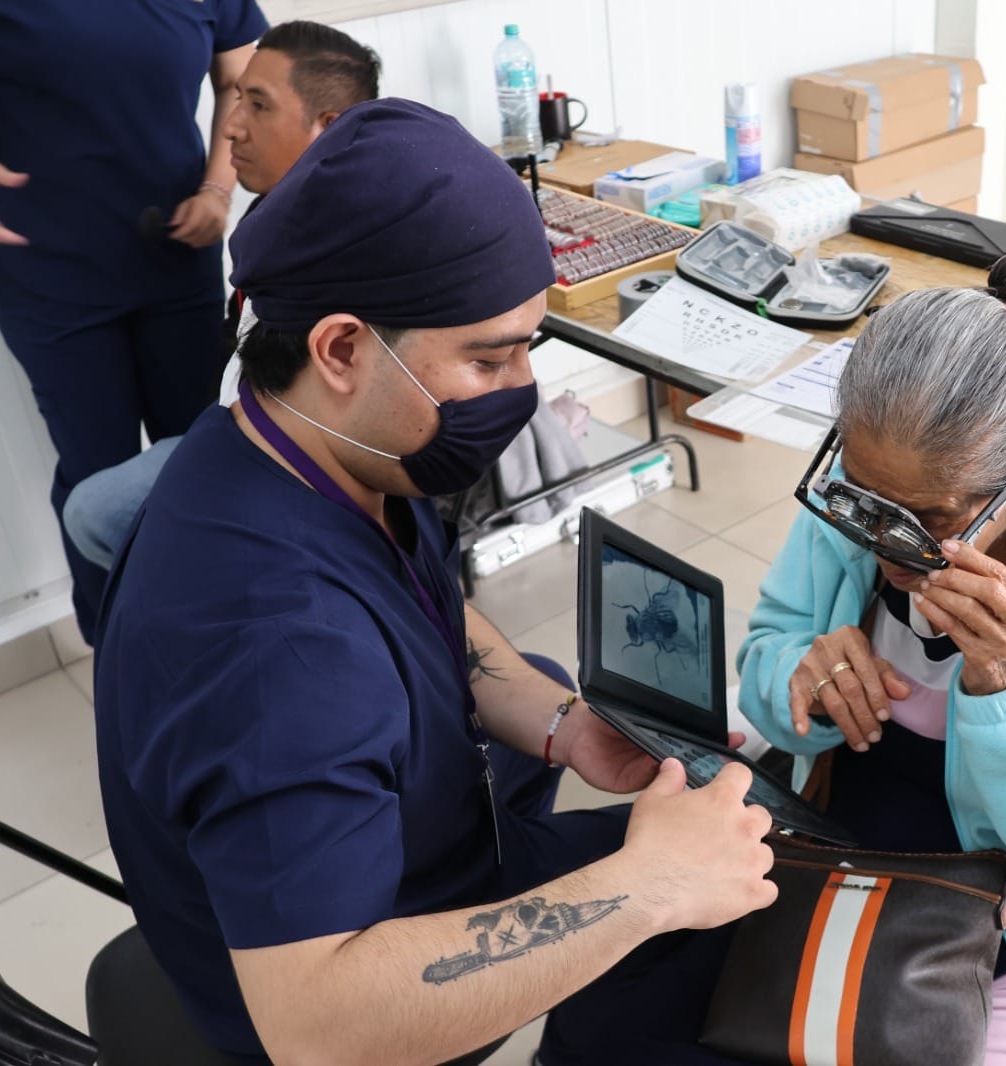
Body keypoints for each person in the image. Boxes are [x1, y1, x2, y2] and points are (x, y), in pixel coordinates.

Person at [93, 98, 776, 1066]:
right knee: (738, 909)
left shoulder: (322, 451)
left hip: (421, 857)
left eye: (527, 350)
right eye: (487, 358)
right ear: (340, 348)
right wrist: (644, 891)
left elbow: (425, 607)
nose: (519, 391)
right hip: (362, 995)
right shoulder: (278, 648)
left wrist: (564, 725)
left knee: (662, 798)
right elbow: (319, 1026)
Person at [540, 253, 1006, 1066]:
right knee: (602, 1027)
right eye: (861, 496)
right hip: (834, 834)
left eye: (929, 520)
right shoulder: (866, 491)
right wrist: (803, 684)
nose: (883, 542)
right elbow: (772, 652)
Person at [0, 1, 269, 643]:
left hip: (175, 247)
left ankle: (222, 634)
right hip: (46, 264)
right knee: (96, 477)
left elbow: (243, 80)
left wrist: (218, 187)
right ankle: (120, 650)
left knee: (205, 453)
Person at [61, 19, 381, 575]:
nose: (231, 127)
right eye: (237, 101)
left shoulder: (351, 242)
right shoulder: (271, 217)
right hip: (248, 432)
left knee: (97, 513)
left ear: (326, 126)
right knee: (93, 508)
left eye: (258, 105)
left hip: (302, 465)